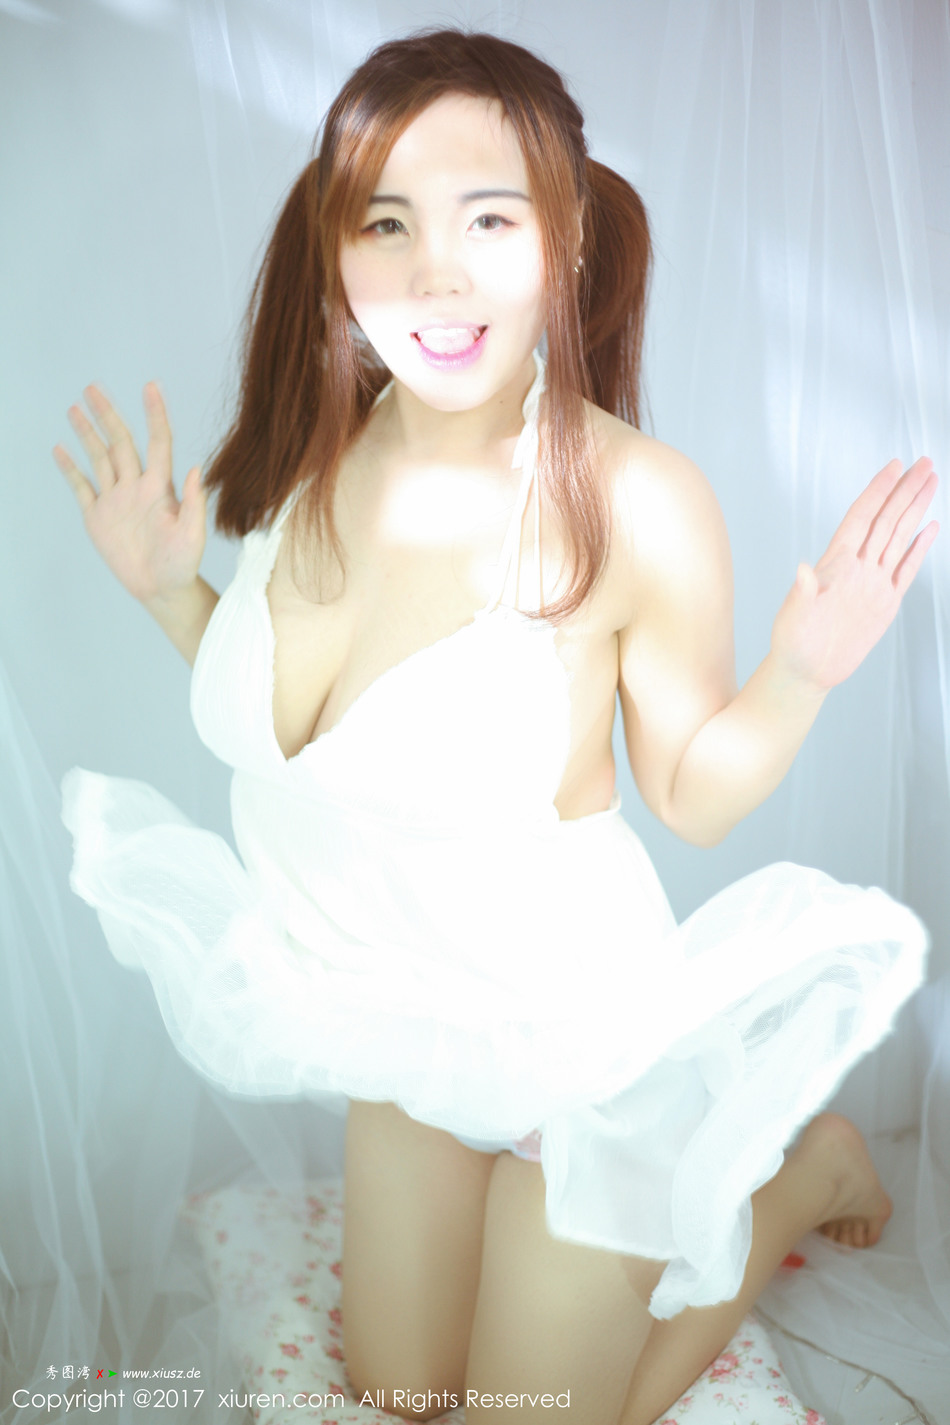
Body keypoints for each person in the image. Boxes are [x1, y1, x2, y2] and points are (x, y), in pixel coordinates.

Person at [53, 28, 938, 1425]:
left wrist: (798, 673)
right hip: (407, 1041)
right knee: (397, 1392)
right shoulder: (326, 454)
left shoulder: (634, 498)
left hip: (577, 1065)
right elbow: (309, 746)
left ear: (564, 239)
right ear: (334, 249)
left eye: (487, 220)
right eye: (387, 224)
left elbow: (689, 796)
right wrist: (176, 595)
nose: (435, 275)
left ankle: (797, 1175)